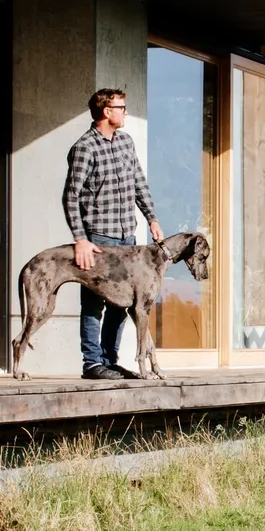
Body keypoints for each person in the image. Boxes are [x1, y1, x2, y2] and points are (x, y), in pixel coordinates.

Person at [62, 87, 163, 380]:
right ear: (107, 111)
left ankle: (110, 359)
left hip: (127, 240)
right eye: (122, 107)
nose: (126, 112)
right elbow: (71, 196)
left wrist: (152, 219)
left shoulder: (126, 143)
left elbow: (139, 184)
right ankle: (92, 363)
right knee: (94, 303)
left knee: (122, 303)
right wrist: (81, 238)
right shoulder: (85, 148)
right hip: (98, 240)